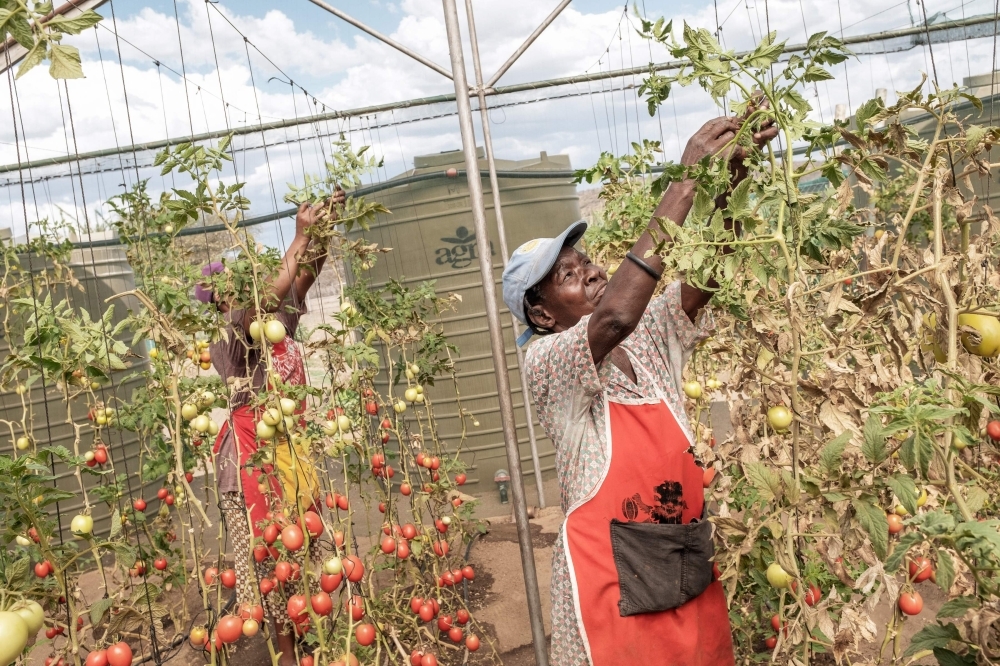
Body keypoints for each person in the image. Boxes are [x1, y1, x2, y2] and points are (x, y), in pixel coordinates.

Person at [501, 116, 776, 665]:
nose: (594, 273)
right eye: (570, 276)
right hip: (614, 591)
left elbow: (706, 280)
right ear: (541, 313)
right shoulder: (548, 361)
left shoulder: (649, 336)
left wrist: (730, 187)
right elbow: (614, 318)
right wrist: (685, 179)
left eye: (588, 262)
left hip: (682, 565)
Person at [197, 191, 344, 666]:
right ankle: (286, 651)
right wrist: (299, 234)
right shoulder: (232, 335)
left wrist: (321, 231)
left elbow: (304, 276)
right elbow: (271, 292)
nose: (250, 289)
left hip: (286, 455)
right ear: (222, 300)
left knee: (312, 553)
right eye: (237, 286)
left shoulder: (274, 322)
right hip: (249, 465)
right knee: (270, 565)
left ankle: (314, 640)